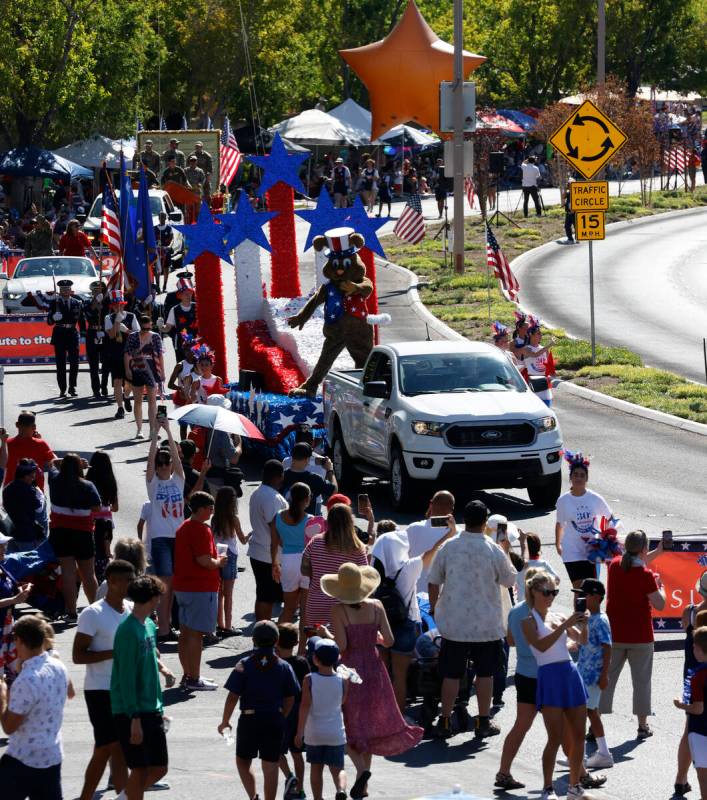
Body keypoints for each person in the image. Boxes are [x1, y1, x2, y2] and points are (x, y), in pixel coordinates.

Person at [321, 562, 423, 798]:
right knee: (367, 728)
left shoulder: (339, 611)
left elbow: (343, 646)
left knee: (347, 728)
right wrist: (373, 638)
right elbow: (388, 640)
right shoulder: (377, 606)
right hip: (375, 669)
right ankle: (363, 785)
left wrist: (326, 635)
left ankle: (360, 770)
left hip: (350, 671)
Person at [428, 499, 517, 739]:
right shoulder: (492, 549)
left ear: (464, 520)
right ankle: (483, 721)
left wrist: (436, 609)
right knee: (485, 674)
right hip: (486, 625)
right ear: (485, 521)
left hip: (455, 624)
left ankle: (445, 721)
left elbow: (433, 579)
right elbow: (510, 580)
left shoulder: (449, 547)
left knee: (451, 674)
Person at [521, 570, 593, 800]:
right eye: (546, 592)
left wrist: (585, 625)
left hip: (570, 674)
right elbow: (540, 646)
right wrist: (565, 627)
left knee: (579, 736)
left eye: (554, 592)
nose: (551, 597)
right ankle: (547, 788)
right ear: (533, 592)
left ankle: (574, 786)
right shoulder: (528, 621)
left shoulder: (559, 616)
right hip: (550, 678)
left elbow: (581, 641)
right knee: (555, 738)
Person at [371, 519, 456, 712]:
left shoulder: (373, 571)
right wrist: (447, 534)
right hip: (405, 623)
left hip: (381, 624)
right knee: (400, 676)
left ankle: (381, 715)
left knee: (382, 674)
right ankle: (399, 719)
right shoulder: (409, 567)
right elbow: (432, 552)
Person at [73, 559, 135, 800]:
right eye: (127, 580)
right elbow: (78, 656)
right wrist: (115, 652)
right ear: (112, 582)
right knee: (106, 748)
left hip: (124, 691)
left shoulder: (130, 610)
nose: (131, 584)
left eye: (132, 579)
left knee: (118, 750)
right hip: (99, 690)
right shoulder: (92, 613)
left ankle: (123, 795)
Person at [218, 620, 300, 800]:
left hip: (249, 719)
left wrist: (225, 721)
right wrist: (282, 716)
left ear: (253, 639)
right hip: (274, 719)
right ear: (277, 640)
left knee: (243, 761)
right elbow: (290, 697)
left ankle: (254, 796)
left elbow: (233, 696)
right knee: (270, 764)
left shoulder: (244, 664)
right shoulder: (284, 666)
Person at [111, 575, 174, 800]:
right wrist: (134, 717)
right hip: (132, 711)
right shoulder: (128, 631)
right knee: (139, 769)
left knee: (159, 767)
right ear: (151, 598)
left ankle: (124, 797)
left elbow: (148, 660)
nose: (160, 600)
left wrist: (164, 669)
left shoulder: (148, 625)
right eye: (158, 596)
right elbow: (126, 677)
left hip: (152, 707)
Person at [599, 529, 665, 739]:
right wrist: (659, 585)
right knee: (642, 682)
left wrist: (657, 552)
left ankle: (595, 723)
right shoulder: (646, 575)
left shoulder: (615, 565)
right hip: (640, 635)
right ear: (644, 548)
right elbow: (660, 604)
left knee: (607, 679)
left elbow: (634, 559)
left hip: (615, 633)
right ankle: (642, 726)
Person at [0, 615, 70, 800]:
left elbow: (9, 727)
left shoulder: (26, 680)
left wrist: (2, 697)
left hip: (24, 759)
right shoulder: (58, 666)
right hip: (51, 756)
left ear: (20, 641)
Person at [173, 491, 225, 691]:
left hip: (183, 587)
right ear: (201, 508)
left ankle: (188, 674)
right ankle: (193, 678)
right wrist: (219, 562)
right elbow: (204, 561)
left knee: (185, 633)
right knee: (196, 635)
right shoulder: (201, 530)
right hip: (199, 588)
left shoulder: (183, 527)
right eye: (210, 508)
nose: (212, 512)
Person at [48, 453, 102, 621]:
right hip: (83, 533)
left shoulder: (54, 480)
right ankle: (97, 610)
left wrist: (64, 462)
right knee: (88, 574)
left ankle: (71, 612)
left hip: (61, 533)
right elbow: (97, 508)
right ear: (79, 468)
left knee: (68, 573)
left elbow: (51, 463)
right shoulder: (87, 485)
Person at [145, 421, 185, 639]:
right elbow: (150, 463)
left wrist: (168, 431)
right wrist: (154, 437)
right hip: (161, 539)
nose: (162, 466)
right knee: (165, 584)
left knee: (175, 583)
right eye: (159, 463)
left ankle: (168, 624)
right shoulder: (153, 484)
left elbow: (178, 460)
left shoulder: (178, 481)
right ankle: (164, 628)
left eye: (165, 462)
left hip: (179, 538)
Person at [295, 638, 348, 800]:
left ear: (315, 658)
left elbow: (305, 706)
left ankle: (318, 798)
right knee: (338, 768)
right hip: (336, 732)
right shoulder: (343, 680)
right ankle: (341, 790)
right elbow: (342, 701)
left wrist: (299, 733)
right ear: (337, 658)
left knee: (316, 768)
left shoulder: (309, 679)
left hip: (314, 733)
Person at [302, 503, 369, 629]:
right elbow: (363, 580)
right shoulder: (357, 548)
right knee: (340, 646)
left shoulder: (315, 541)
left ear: (329, 521)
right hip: (343, 606)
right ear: (350, 522)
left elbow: (304, 569)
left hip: (316, 603)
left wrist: (317, 575)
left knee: (317, 644)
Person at [555, 451, 613, 588]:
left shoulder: (595, 498)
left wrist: (607, 539)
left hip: (592, 551)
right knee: (578, 588)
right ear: (570, 478)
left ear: (586, 478)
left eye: (582, 475)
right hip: (571, 550)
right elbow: (559, 524)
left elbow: (611, 518)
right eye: (575, 475)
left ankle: (590, 610)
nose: (578, 478)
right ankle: (579, 610)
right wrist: (558, 544)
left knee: (590, 589)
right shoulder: (563, 500)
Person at [574, 578, 613, 769]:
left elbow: (607, 648)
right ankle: (581, 755)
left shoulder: (602, 620)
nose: (581, 598)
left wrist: (604, 674)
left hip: (594, 675)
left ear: (596, 597)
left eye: (585, 594)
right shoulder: (590, 618)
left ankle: (599, 754)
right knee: (589, 712)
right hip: (584, 673)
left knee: (587, 712)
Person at [675, 571, 707, 796]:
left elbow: (685, 630)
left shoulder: (690, 611)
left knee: (690, 728)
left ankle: (681, 778)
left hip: (692, 675)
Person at [248, 460, 288, 622]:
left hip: (259, 552)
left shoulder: (257, 493)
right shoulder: (272, 497)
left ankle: (261, 632)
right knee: (267, 598)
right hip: (268, 555)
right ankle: (264, 634)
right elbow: (275, 528)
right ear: (278, 476)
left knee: (263, 595)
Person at [271, 483, 312, 636]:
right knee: (305, 612)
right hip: (307, 564)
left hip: (287, 563)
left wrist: (274, 564)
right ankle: (301, 649)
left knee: (288, 609)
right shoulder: (312, 519)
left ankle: (277, 646)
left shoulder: (279, 516)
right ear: (307, 499)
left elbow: (274, 543)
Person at [276, 623, 310, 799]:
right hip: (299, 714)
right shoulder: (302, 662)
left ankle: (289, 777)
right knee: (297, 753)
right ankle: (301, 789)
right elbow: (308, 689)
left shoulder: (277, 665)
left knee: (276, 751)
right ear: (296, 642)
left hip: (282, 712)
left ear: (276, 642)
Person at [212, 485, 248, 637]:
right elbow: (242, 540)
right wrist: (251, 535)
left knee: (219, 592)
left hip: (217, 554)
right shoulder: (234, 519)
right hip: (231, 555)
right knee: (229, 593)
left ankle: (219, 623)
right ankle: (228, 625)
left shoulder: (214, 518)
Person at [404, 489, 456, 591]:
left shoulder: (412, 529)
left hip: (413, 594)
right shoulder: (458, 534)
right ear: (452, 510)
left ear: (431, 504)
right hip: (442, 598)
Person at [125, 315, 164, 439]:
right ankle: (139, 429)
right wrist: (127, 369)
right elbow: (127, 354)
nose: (146, 331)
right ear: (140, 326)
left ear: (151, 326)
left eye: (148, 329)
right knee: (138, 401)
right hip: (137, 370)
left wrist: (162, 372)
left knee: (152, 401)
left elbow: (160, 355)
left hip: (152, 371)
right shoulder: (133, 337)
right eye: (143, 329)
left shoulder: (155, 337)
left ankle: (152, 430)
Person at [0, 534, 31, 682]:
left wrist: (20, 590)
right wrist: (14, 599)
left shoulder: (3, 568)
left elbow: (11, 587)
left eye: (4, 545)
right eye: (1, 546)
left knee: (12, 673)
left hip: (7, 627)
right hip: (2, 629)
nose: (5, 549)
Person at [104, 290, 140, 419]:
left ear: (124, 305)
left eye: (120, 304)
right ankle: (120, 407)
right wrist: (117, 323)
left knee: (130, 381)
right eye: (115, 305)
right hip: (116, 353)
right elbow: (111, 335)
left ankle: (126, 396)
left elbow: (138, 336)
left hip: (130, 353)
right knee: (117, 381)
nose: (118, 307)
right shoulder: (109, 318)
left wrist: (127, 330)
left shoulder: (131, 316)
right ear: (112, 306)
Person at [86, 450, 119, 586]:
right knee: (104, 551)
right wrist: (106, 508)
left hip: (89, 521)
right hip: (106, 523)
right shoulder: (111, 482)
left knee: (89, 553)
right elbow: (115, 507)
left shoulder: (87, 481)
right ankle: (101, 584)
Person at [2, 459, 48, 553]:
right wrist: (40, 495)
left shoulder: (8, 488)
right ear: (26, 475)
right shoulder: (30, 491)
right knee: (28, 563)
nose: (33, 478)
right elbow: (39, 510)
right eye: (32, 475)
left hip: (10, 533)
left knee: (11, 563)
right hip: (27, 536)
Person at [0, 413, 56, 490]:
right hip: (35, 491)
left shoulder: (7, 444)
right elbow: (54, 462)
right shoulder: (41, 444)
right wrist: (40, 441)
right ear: (34, 427)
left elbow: (2, 465)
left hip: (11, 491)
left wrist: (3, 441)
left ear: (17, 424)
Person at [47, 278, 83, 397]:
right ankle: (62, 388)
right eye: (63, 289)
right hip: (59, 333)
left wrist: (83, 333)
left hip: (72, 332)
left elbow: (81, 320)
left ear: (71, 290)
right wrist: (53, 317)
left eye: (67, 289)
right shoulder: (54, 303)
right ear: (60, 290)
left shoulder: (77, 302)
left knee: (74, 362)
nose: (65, 291)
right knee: (61, 362)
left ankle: (72, 387)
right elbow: (49, 321)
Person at [281, 442, 337, 515]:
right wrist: (330, 470)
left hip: (284, 521)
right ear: (308, 459)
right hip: (307, 524)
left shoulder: (280, 476)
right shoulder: (315, 479)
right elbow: (334, 490)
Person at [82, 280, 109, 399]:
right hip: (92, 333)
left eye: (100, 290)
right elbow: (88, 313)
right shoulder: (87, 302)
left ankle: (104, 385)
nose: (97, 292)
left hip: (104, 332)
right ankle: (96, 389)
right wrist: (95, 301)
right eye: (95, 291)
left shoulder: (108, 302)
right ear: (92, 292)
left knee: (106, 363)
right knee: (93, 364)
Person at [515, 532, 560, 600]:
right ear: (538, 546)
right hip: (540, 603)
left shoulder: (519, 565)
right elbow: (557, 580)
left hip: (523, 602)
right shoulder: (543, 564)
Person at [161, 278, 197, 358]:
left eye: (190, 293)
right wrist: (160, 326)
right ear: (180, 295)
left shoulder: (197, 307)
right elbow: (167, 328)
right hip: (181, 345)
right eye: (186, 294)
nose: (189, 296)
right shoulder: (174, 310)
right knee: (182, 367)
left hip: (196, 344)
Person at [153, 213, 173, 294]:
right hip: (157, 252)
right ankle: (158, 286)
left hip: (166, 251)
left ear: (165, 218)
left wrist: (168, 247)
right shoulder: (154, 229)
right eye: (160, 217)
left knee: (166, 268)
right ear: (158, 218)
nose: (162, 219)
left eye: (163, 217)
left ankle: (164, 286)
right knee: (157, 269)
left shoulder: (169, 228)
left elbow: (172, 240)